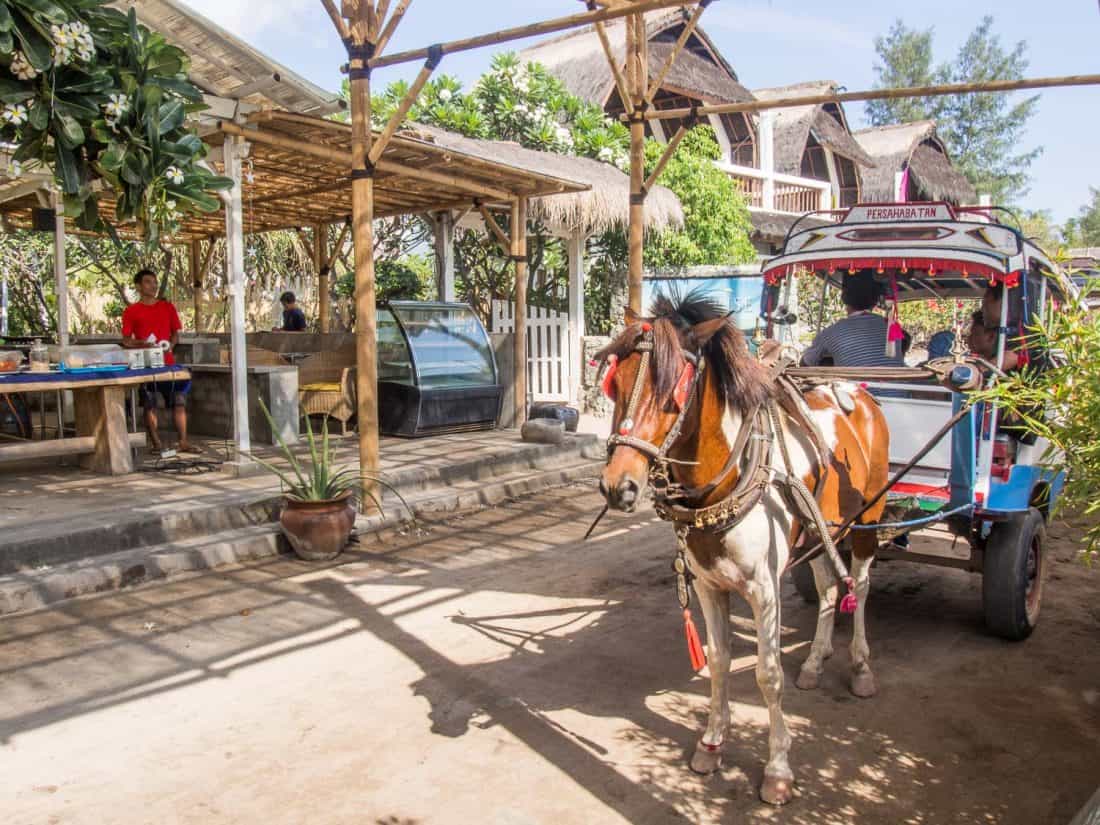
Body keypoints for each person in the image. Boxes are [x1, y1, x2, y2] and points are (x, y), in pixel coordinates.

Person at [121, 268, 197, 455]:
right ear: (138, 286)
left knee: (179, 401)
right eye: (148, 282)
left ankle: (183, 442)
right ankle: (156, 444)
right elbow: (126, 340)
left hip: (168, 363)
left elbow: (176, 334)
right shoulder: (131, 311)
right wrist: (143, 344)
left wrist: (169, 345)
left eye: (154, 282)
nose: (153, 285)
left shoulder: (167, 307)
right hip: (146, 365)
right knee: (150, 403)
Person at [801, 269, 905, 368]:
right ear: (874, 302)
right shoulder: (893, 327)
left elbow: (805, 364)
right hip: (899, 386)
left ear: (844, 299)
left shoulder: (830, 333)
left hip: (855, 386)